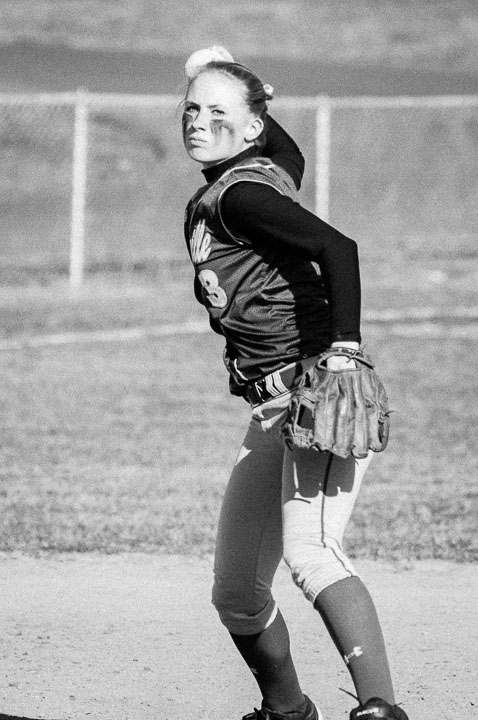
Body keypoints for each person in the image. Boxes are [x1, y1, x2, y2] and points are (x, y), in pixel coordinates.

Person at [181, 46, 410, 720]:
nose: (197, 121)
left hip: (313, 395)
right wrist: (247, 90)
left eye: (217, 112)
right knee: (237, 592)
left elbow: (338, 248)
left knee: (312, 553)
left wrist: (345, 351)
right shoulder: (256, 174)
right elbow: (289, 154)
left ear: (249, 128)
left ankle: (381, 707)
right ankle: (288, 712)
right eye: (191, 108)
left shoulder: (243, 195)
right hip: (270, 409)